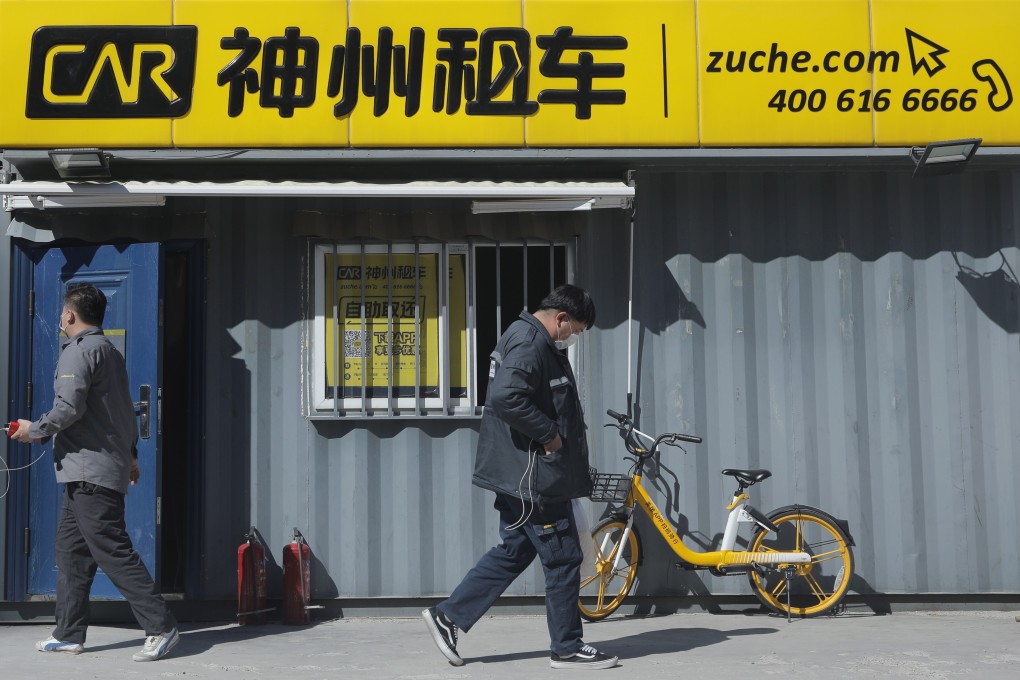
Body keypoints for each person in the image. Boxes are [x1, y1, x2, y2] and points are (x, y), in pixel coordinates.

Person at [422, 284, 618, 670]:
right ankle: (567, 648)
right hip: (534, 481)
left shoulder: (526, 336)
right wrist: (549, 434)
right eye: (575, 329)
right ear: (560, 319)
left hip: (520, 476)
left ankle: (449, 616)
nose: (574, 337)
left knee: (516, 549)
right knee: (564, 558)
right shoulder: (531, 343)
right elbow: (507, 397)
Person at [11, 283, 179, 662]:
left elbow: (67, 408)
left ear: (69, 315)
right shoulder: (109, 352)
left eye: (61, 313)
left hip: (89, 473)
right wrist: (131, 454)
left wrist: (32, 430)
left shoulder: (79, 352)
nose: (60, 318)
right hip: (87, 471)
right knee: (70, 552)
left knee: (112, 551)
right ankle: (69, 633)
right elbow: (121, 412)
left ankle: (160, 626)